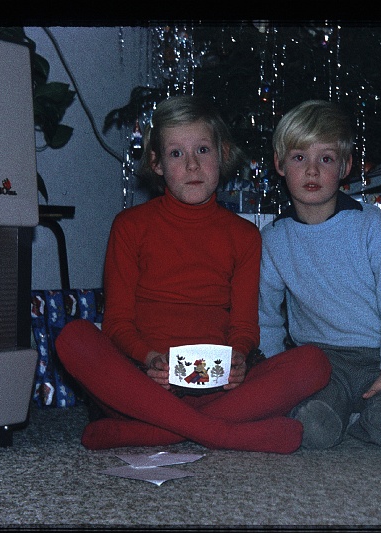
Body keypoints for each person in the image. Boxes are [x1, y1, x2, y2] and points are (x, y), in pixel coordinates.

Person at [55, 95, 331, 454]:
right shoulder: (129, 227)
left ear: (222, 154)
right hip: (144, 385)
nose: (191, 166)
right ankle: (220, 433)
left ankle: (152, 431)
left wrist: (238, 359)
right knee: (73, 336)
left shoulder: (244, 237)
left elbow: (245, 326)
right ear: (156, 163)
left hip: (216, 389)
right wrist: (148, 357)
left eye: (202, 150)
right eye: (175, 154)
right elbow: (118, 323)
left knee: (314, 363)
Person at [258, 99, 381, 450]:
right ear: (280, 164)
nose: (312, 171)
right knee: (314, 430)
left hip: (379, 356)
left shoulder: (370, 226)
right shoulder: (274, 239)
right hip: (318, 360)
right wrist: (275, 371)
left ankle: (364, 418)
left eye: (326, 159)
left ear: (345, 166)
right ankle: (341, 412)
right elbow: (265, 315)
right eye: (299, 157)